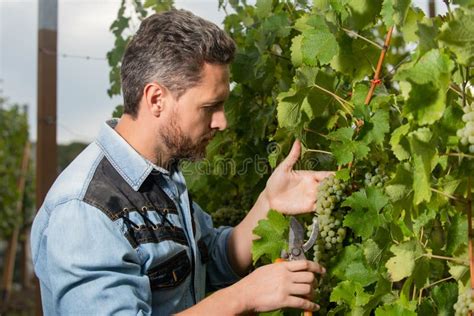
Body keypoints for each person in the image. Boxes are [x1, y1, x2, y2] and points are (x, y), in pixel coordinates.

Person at [31, 9, 332, 315]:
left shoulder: (162, 178)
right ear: (156, 99)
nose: (222, 122)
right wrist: (243, 297)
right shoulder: (85, 210)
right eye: (210, 107)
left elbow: (209, 261)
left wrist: (269, 202)